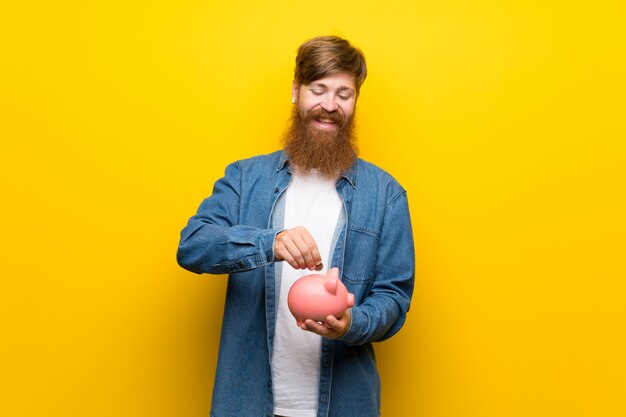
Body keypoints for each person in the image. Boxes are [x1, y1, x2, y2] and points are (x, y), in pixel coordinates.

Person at [177, 35, 415, 417]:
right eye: (318, 90)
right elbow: (192, 245)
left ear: (355, 101)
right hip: (248, 402)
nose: (329, 106)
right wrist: (268, 243)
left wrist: (352, 323)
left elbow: (394, 298)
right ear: (295, 91)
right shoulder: (244, 178)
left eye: (343, 94)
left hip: (344, 404)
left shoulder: (385, 194)